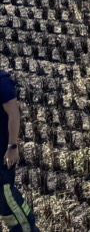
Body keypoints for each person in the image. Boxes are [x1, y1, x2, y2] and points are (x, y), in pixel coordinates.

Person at [0, 70, 36, 231]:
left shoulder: (2, 82)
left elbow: (14, 115)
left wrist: (12, 147)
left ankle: (26, 228)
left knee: (6, 197)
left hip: (3, 154)